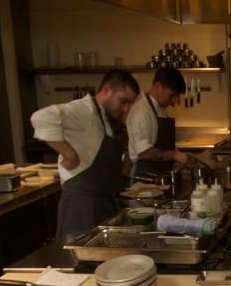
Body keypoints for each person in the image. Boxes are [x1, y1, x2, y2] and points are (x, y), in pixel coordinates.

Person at [31, 69, 139, 242]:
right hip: (81, 208)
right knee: (79, 263)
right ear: (107, 90)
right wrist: (68, 153)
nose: (125, 108)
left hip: (101, 205)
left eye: (129, 104)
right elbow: (41, 117)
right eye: (123, 101)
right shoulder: (84, 110)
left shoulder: (102, 117)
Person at [126, 66, 193, 180]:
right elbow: (143, 152)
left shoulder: (160, 110)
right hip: (144, 180)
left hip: (160, 178)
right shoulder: (141, 110)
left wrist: (177, 153)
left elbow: (161, 145)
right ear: (158, 86)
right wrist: (174, 155)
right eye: (171, 96)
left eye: (176, 97)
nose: (173, 102)